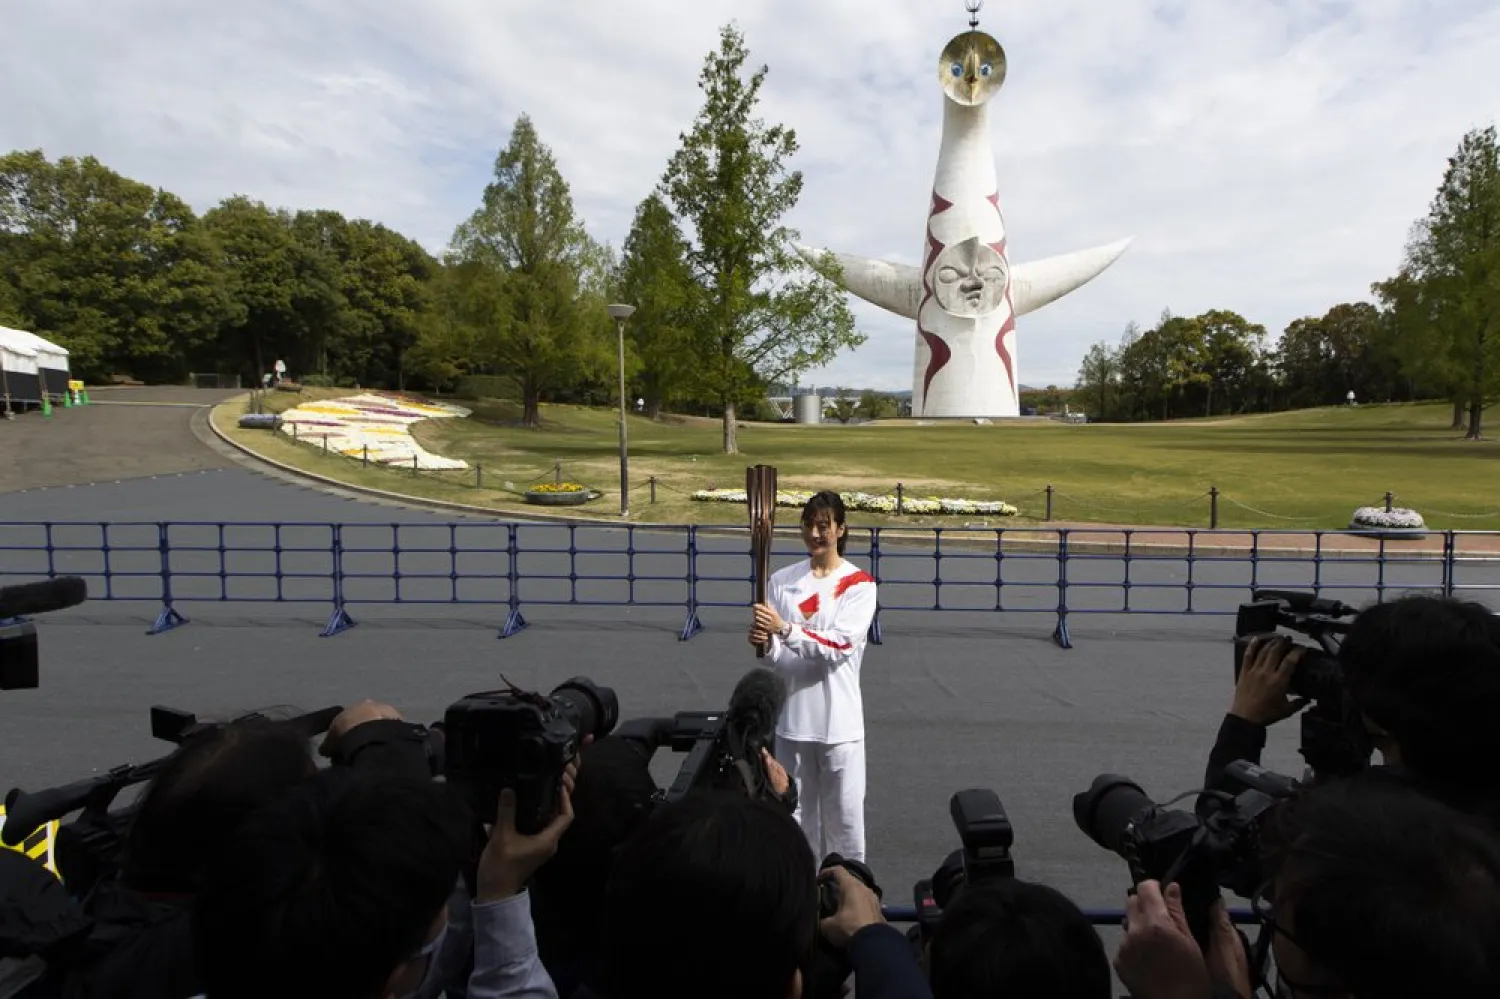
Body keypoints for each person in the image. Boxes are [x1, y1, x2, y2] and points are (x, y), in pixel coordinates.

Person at [749, 490, 879, 863]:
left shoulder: (858, 585)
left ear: (840, 529)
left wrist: (784, 628)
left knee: (845, 823)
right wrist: (764, 641)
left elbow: (837, 647)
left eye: (824, 525)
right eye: (809, 525)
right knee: (793, 820)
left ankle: (849, 897)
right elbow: (777, 658)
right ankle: (802, 899)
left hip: (839, 727)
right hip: (792, 724)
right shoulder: (782, 581)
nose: (816, 534)